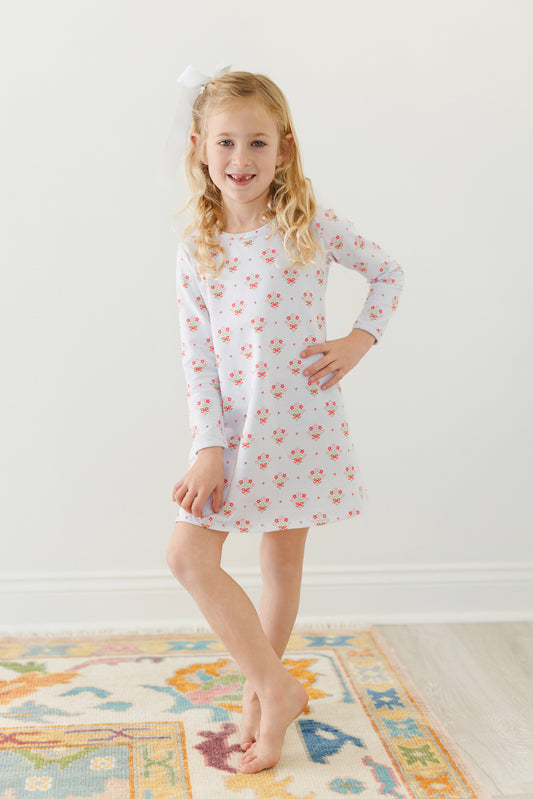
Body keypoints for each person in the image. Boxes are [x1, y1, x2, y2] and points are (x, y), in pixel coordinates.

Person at [164, 65, 405, 774]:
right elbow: (197, 358)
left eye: (257, 143)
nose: (241, 159)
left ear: (284, 147)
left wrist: (358, 340)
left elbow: (388, 272)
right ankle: (277, 688)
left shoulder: (309, 226)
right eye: (226, 142)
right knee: (187, 555)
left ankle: (257, 709)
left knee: (280, 563)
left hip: (298, 422)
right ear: (199, 147)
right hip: (229, 433)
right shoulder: (197, 246)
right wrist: (207, 446)